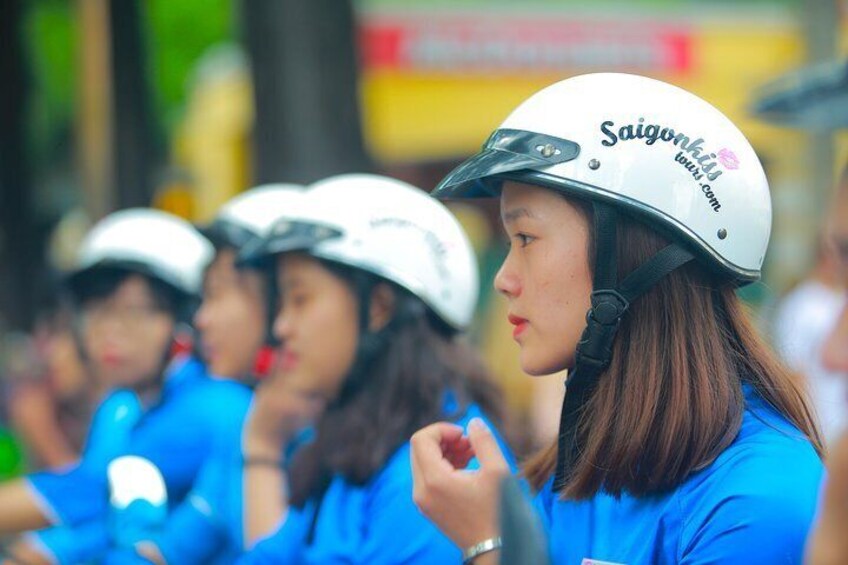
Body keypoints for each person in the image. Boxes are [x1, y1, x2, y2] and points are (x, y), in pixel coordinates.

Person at [410, 72, 824, 564]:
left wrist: (490, 545)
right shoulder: (587, 469)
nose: (503, 278)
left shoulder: (758, 501)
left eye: (525, 238)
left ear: (629, 254)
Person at [236, 173, 514, 563]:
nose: (281, 327)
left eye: (300, 299)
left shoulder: (440, 468)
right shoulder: (355, 444)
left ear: (379, 308)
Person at [0, 209, 252, 564]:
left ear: (184, 319)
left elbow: (89, 491)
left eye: (134, 311)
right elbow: (107, 521)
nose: (110, 331)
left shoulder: (214, 405)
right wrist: (43, 552)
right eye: (96, 310)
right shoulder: (121, 407)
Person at [130, 184, 325, 565]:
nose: (201, 319)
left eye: (217, 294)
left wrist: (264, 450)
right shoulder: (252, 419)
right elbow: (170, 549)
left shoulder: (327, 435)